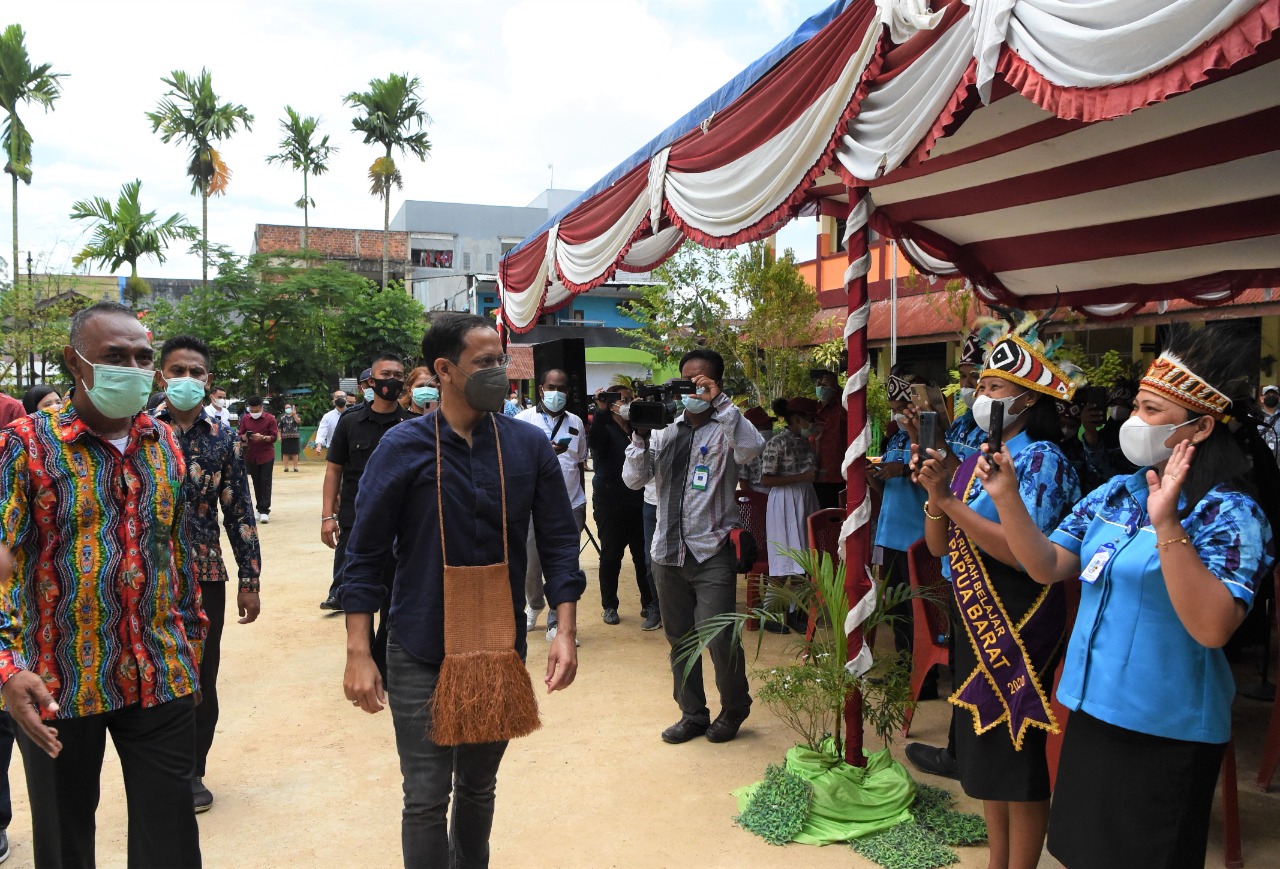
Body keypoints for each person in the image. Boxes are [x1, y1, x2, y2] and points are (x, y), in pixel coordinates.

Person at [980, 325, 1276, 869]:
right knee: (1079, 852)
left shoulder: (1230, 513)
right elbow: (1047, 565)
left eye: (1151, 409)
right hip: (1091, 708)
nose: (1133, 420)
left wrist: (1168, 527)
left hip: (1164, 727)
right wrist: (1007, 498)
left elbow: (1213, 628)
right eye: (1137, 406)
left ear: (1201, 426)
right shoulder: (1119, 492)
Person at [340, 313, 585, 868]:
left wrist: (564, 631)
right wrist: (359, 651)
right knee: (426, 797)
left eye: (501, 360)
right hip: (419, 644)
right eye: (484, 363)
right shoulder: (402, 447)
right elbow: (365, 553)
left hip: (498, 649)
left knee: (478, 789)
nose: (498, 371)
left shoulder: (527, 446)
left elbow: (558, 543)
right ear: (444, 370)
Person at [0, 300, 204, 868]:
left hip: (159, 671)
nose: (133, 368)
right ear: (75, 362)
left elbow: (174, 551)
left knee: (171, 841)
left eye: (143, 357)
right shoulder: (24, 445)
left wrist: (191, 645)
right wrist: (7, 666)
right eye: (115, 356)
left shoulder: (163, 443)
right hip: (57, 681)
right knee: (65, 838)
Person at [912, 318, 1081, 869]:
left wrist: (951, 504)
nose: (980, 395)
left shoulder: (1042, 459)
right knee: (987, 747)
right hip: (973, 615)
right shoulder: (972, 459)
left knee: (1018, 754)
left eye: (993, 387)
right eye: (980, 385)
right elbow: (938, 544)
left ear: (1027, 400)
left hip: (1020, 618)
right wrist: (936, 493)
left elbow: (1026, 555)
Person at [624, 348, 765, 744]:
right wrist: (639, 436)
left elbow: (752, 449)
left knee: (719, 637)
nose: (691, 389)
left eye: (700, 382)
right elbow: (634, 480)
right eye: (685, 381)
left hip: (712, 550)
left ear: (716, 383)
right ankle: (693, 713)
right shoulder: (665, 431)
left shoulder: (727, 427)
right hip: (667, 552)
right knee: (680, 639)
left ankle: (734, 707)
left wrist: (721, 403)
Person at [153, 335, 262, 815]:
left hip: (204, 574)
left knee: (201, 674)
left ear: (208, 380)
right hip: (145, 574)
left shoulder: (223, 438)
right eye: (177, 371)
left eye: (195, 372)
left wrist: (250, 580)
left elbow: (239, 512)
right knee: (152, 671)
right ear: (161, 377)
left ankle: (193, 770)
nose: (187, 379)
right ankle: (159, 769)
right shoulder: (140, 431)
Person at [320, 354, 412, 677]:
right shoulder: (350, 422)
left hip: (400, 526)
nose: (393, 380)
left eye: (398, 375)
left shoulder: (411, 424)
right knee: (357, 590)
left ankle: (382, 660)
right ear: (371, 381)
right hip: (355, 522)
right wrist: (327, 517)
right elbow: (334, 470)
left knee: (394, 593)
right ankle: (361, 655)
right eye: (386, 374)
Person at [516, 369, 588, 634]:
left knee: (565, 566)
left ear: (567, 392)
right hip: (533, 507)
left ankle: (557, 622)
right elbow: (515, 463)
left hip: (571, 505)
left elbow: (579, 462)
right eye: (551, 387)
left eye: (561, 388)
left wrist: (582, 501)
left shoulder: (576, 422)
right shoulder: (523, 420)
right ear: (541, 389)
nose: (556, 393)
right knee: (531, 566)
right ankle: (534, 604)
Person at [869, 376, 928, 658]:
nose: (897, 415)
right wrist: (874, 476)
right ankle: (904, 668)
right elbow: (886, 489)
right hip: (890, 533)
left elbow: (931, 474)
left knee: (919, 608)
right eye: (893, 409)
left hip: (917, 534)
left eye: (901, 408)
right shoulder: (895, 438)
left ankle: (923, 672)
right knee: (896, 606)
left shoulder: (931, 437)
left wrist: (902, 469)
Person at [589, 384, 654, 629]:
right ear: (612, 404)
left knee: (643, 556)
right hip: (610, 502)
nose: (627, 404)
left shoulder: (641, 429)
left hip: (639, 500)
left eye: (630, 399)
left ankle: (649, 603)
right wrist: (600, 411)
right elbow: (594, 442)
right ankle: (609, 605)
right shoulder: (604, 426)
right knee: (611, 555)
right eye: (622, 400)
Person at [759, 396, 820, 635]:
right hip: (784, 501)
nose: (812, 423)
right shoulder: (777, 442)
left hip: (805, 498)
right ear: (796, 419)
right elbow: (766, 479)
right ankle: (768, 613)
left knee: (802, 559)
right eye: (809, 418)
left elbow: (813, 469)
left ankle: (795, 612)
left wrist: (818, 444)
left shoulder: (805, 442)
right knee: (783, 558)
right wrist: (801, 478)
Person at [238, 396, 278, 524]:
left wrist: (263, 437)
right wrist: (245, 437)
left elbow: (274, 437)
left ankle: (265, 510)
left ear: (261, 407)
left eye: (256, 411)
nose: (254, 413)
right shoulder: (245, 418)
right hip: (251, 455)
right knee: (256, 482)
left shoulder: (270, 418)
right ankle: (259, 508)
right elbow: (240, 434)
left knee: (265, 481)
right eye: (251, 410)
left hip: (266, 455)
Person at [811, 369, 846, 509]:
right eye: (818, 384)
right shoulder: (813, 409)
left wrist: (838, 390)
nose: (820, 387)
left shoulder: (841, 408)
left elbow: (853, 408)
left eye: (824, 384)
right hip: (814, 473)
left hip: (836, 474)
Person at [1259, 384, 1280, 463]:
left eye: (1274, 395)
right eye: (1268, 395)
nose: (1271, 397)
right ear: (1262, 398)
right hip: (1259, 464)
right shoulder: (1254, 417)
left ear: (1279, 399)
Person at [279, 402, 301, 472]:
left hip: (294, 437)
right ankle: (286, 467)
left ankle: (295, 467)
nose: (287, 409)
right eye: (286, 408)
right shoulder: (282, 417)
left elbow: (298, 421)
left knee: (295, 453)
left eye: (288, 407)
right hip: (285, 437)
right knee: (285, 453)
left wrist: (294, 414)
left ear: (291, 408)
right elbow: (279, 429)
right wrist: (279, 437)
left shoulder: (296, 415)